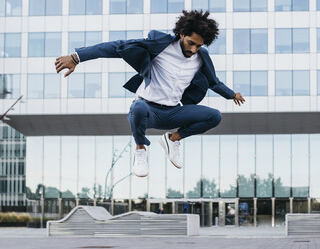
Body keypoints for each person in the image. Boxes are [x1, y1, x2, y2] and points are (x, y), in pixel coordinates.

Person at [55, 10, 245, 177]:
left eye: (198, 46)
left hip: (173, 113)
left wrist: (231, 94)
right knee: (137, 107)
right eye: (190, 43)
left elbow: (213, 82)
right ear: (182, 33)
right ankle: (140, 150)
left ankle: (172, 140)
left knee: (214, 116)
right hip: (148, 111)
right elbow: (116, 46)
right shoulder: (160, 45)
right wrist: (76, 57)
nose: (193, 50)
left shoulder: (201, 57)